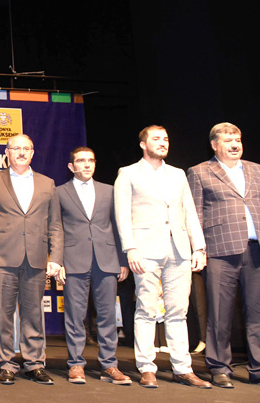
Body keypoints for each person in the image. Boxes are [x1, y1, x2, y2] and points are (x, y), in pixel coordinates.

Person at [114, 125, 210, 388]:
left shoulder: (178, 174)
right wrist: (130, 248)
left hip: (179, 249)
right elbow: (122, 215)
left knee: (178, 310)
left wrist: (199, 248)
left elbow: (189, 212)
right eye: (156, 139)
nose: (162, 142)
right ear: (143, 144)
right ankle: (147, 367)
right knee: (146, 309)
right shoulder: (128, 173)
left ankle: (183, 368)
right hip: (145, 249)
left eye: (165, 139)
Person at [0, 133, 63, 385]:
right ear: (7, 153)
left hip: (36, 259)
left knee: (33, 315)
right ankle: (6, 363)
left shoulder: (48, 184)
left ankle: (35, 364)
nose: (21, 152)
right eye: (15, 148)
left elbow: (55, 225)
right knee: (2, 316)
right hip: (2, 258)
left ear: (32, 153)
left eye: (26, 148)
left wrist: (56, 257)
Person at [187, 122, 260, 387]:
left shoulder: (256, 169)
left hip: (255, 250)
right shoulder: (199, 172)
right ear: (214, 144)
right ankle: (219, 367)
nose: (235, 144)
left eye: (237, 139)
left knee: (257, 313)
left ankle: (257, 367)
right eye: (228, 140)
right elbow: (195, 214)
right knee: (219, 313)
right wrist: (199, 249)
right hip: (220, 251)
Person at [55, 147, 131, 385]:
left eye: (90, 161)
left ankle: (109, 365)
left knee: (108, 315)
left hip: (106, 260)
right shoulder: (59, 192)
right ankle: (76, 364)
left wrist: (122, 261)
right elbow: (55, 229)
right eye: (81, 161)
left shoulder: (110, 191)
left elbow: (118, 226)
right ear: (71, 166)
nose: (87, 165)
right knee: (75, 316)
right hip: (73, 260)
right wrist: (58, 261)